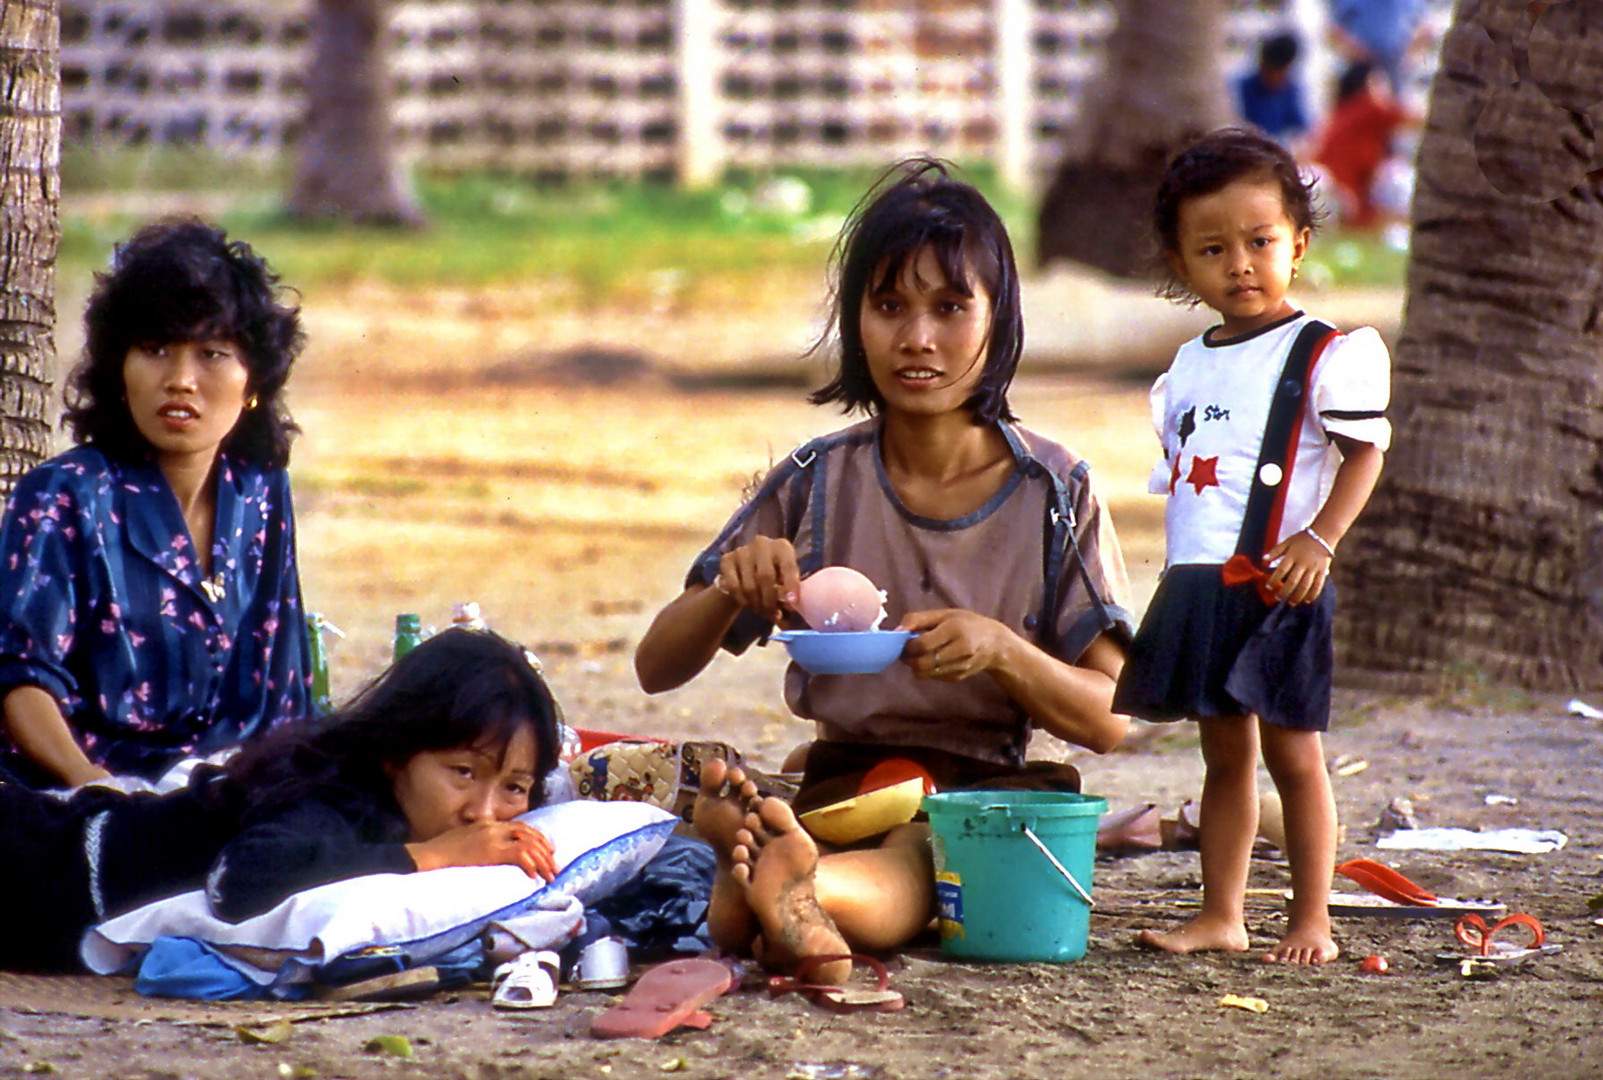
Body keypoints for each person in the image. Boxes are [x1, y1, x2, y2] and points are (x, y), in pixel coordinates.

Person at [634, 159, 1133, 983]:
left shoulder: (1052, 490)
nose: (917, 339)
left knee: (915, 861)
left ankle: (799, 885)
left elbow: (1111, 716)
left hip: (983, 797)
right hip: (840, 781)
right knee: (741, 880)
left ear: (998, 316)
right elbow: (657, 668)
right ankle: (781, 885)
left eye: (949, 307)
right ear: (853, 319)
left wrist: (1003, 650)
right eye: (889, 306)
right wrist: (730, 583)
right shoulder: (816, 479)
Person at [1114, 128, 1390, 965]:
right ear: (1179, 264)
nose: (1240, 263)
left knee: (1294, 755)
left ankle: (1312, 918)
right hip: (1200, 586)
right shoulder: (1186, 367)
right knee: (1221, 756)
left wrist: (1320, 538)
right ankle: (1220, 914)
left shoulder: (1321, 353)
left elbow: (1364, 454)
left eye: (1260, 242)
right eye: (1212, 248)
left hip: (1280, 584)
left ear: (1298, 245)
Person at [0, 627, 562, 972]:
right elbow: (241, 882)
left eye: (513, 786)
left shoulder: (390, 804)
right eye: (463, 772)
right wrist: (433, 855)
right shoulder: (332, 799)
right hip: (39, 870)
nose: (483, 812)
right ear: (396, 752)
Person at [0, 219, 316, 789]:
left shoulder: (261, 488)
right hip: (87, 797)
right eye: (155, 349)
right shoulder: (66, 495)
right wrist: (92, 783)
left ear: (253, 383)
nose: (180, 379)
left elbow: (282, 684)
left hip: (226, 791)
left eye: (213, 353)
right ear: (120, 371)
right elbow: (20, 680)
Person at [1312, 62, 1416, 229]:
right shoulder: (1368, 108)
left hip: (1336, 190)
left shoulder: (1343, 111)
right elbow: (1416, 118)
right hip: (1344, 194)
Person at [1235, 33, 1311, 148]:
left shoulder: (1290, 91)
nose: (1273, 78)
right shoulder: (1242, 88)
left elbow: (1301, 129)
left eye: (1279, 73)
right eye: (1269, 72)